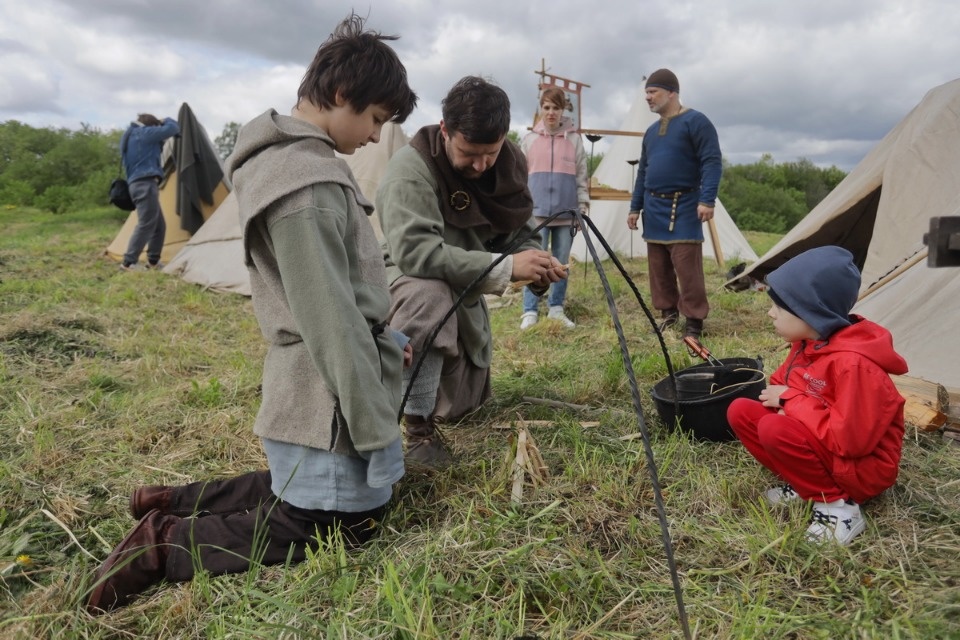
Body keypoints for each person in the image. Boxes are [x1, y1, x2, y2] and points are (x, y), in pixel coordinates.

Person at [86, 14, 418, 613]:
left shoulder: (302, 165)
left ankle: (172, 500)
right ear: (341, 95)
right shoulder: (306, 186)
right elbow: (329, 319)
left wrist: (386, 334)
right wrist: (376, 430)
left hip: (323, 380)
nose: (375, 136)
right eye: (374, 119)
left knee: (295, 494)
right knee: (337, 526)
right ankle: (160, 545)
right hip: (327, 392)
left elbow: (337, 294)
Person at [377, 75, 566, 468]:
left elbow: (521, 234)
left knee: (462, 407)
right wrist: (507, 267)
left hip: (465, 304)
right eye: (469, 153)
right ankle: (417, 431)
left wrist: (536, 262)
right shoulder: (411, 170)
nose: (481, 165)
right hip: (407, 295)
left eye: (491, 153)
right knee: (427, 291)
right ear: (445, 130)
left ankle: (431, 397)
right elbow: (417, 254)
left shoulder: (509, 162)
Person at [726, 246, 908, 545]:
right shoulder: (808, 343)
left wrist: (790, 402)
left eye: (780, 308)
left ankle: (839, 508)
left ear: (811, 312)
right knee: (741, 411)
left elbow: (851, 441)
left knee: (775, 426)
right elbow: (781, 383)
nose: (771, 313)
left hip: (863, 469)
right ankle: (805, 483)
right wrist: (785, 399)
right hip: (826, 446)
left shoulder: (854, 365)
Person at [626, 68, 722, 339]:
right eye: (646, 92)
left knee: (687, 267)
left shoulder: (696, 122)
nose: (648, 97)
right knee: (658, 267)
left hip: (685, 205)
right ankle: (668, 313)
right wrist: (635, 207)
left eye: (652, 91)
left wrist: (707, 198)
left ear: (671, 92)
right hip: (653, 207)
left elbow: (712, 161)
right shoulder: (650, 132)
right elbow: (643, 172)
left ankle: (694, 320)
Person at [518, 85, 589, 330]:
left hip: (566, 214)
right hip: (535, 215)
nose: (551, 113)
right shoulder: (529, 140)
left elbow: (581, 177)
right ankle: (529, 310)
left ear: (563, 110)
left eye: (556, 108)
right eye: (546, 107)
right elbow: (518, 179)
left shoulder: (574, 141)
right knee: (534, 260)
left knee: (560, 262)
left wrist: (582, 207)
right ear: (541, 109)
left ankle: (556, 308)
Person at [119, 113, 180, 271]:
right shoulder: (144, 133)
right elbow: (173, 127)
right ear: (151, 127)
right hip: (145, 184)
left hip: (137, 184)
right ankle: (128, 263)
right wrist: (164, 120)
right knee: (146, 224)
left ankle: (153, 261)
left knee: (159, 226)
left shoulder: (130, 136)